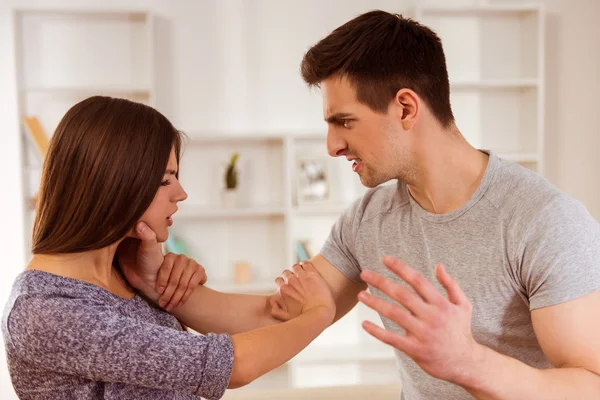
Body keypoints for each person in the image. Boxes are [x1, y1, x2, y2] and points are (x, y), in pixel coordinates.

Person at [140, 9, 600, 400]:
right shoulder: (367, 220)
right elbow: (277, 314)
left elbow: (590, 383)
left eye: (345, 122)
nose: (332, 146)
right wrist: (156, 281)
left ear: (405, 108)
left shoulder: (543, 221)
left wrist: (469, 362)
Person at [1, 96, 335, 400]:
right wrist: (319, 314)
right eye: (165, 180)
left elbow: (258, 322)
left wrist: (164, 286)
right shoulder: (45, 309)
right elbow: (231, 367)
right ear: (115, 182)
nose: (180, 193)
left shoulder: (123, 273)